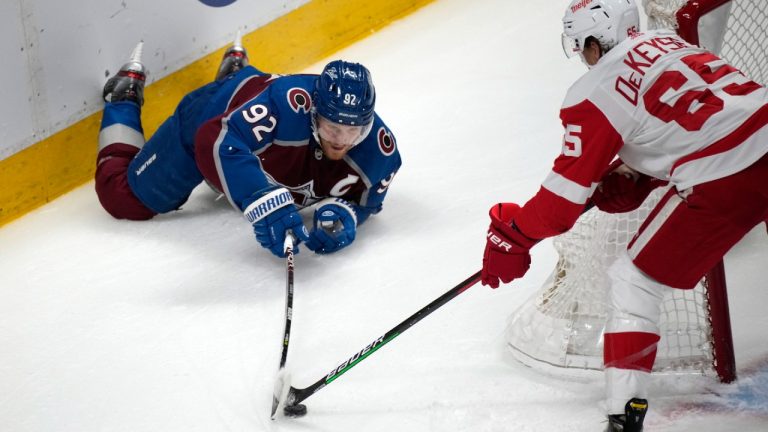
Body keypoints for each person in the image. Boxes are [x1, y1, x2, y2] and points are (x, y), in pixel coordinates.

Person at [480, 0, 768, 430]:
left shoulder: (597, 86)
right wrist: (639, 173)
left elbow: (559, 206)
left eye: (582, 48)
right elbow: (700, 119)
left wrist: (514, 234)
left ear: (594, 44)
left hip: (724, 176)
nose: (583, 58)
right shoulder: (671, 42)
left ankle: (623, 413)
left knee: (633, 281)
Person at [95, 39, 401, 257]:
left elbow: (365, 202)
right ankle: (123, 98)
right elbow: (214, 140)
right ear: (313, 111)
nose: (342, 140)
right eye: (332, 127)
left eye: (353, 130)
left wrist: (346, 214)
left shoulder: (380, 149)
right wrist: (263, 202)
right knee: (121, 198)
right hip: (209, 117)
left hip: (247, 111)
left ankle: (233, 70)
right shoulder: (284, 105)